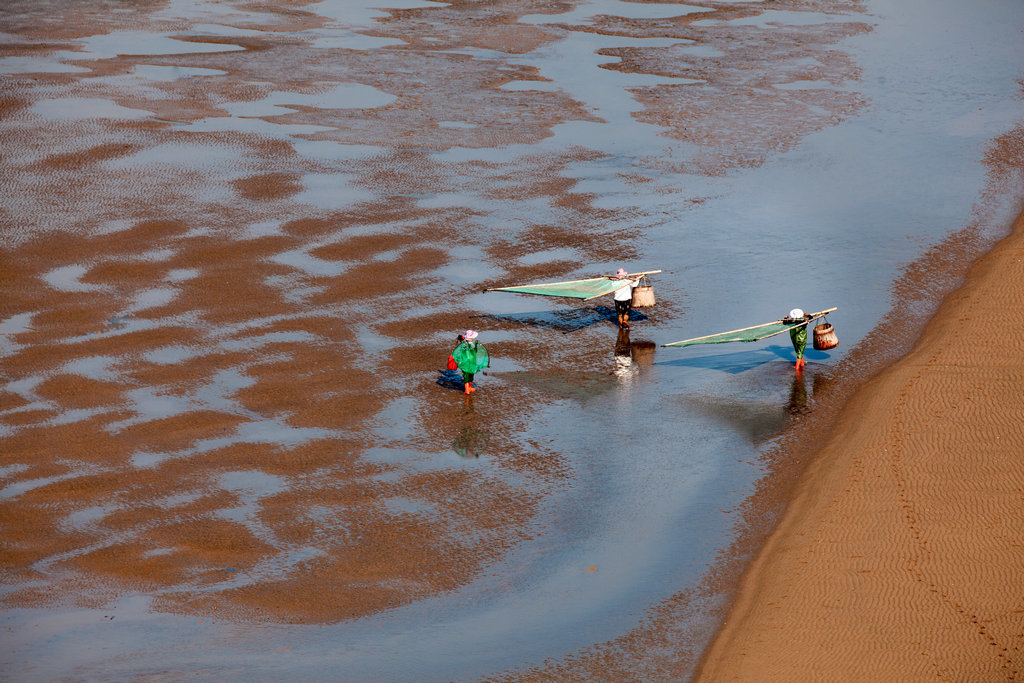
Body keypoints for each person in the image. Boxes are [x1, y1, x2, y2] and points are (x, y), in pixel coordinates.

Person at [452, 329, 489, 394]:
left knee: (465, 375)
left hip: (465, 361)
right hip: (472, 361)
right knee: (471, 374)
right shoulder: (475, 344)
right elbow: (479, 351)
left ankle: (467, 389)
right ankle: (469, 387)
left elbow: (458, 352)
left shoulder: (463, 344)